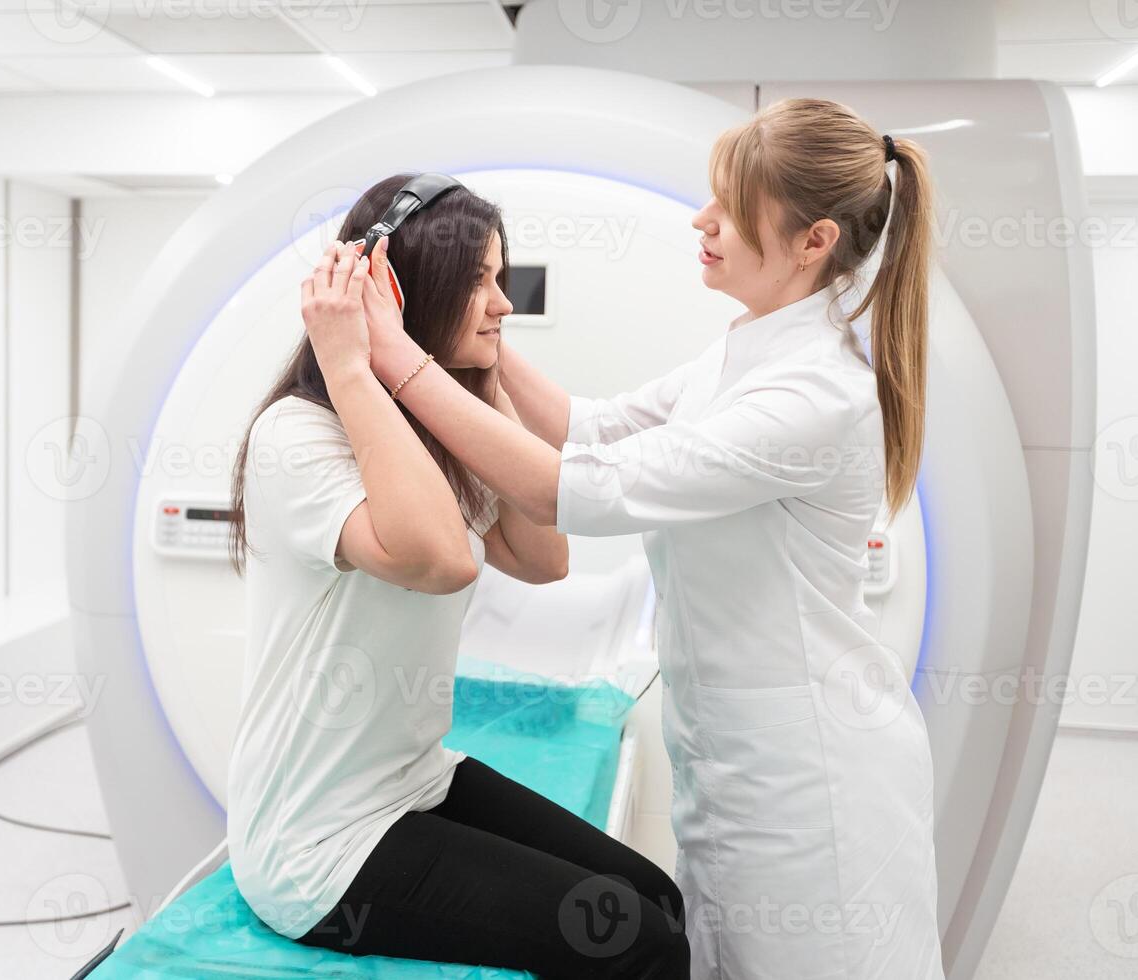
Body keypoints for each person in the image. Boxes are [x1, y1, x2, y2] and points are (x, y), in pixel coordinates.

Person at [308, 101, 945, 979]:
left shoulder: (816, 396)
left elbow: (572, 488)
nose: (701, 220)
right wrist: (479, 325)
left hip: (812, 783)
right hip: (734, 756)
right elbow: (588, 427)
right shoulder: (745, 351)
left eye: (729, 206)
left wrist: (387, 360)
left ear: (814, 241)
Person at [226, 174, 690, 979]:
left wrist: (480, 377)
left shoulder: (428, 435)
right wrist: (354, 366)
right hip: (320, 847)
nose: (503, 304)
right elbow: (437, 560)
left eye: (499, 280)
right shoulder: (296, 438)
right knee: (640, 944)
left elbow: (546, 559)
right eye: (479, 281)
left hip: (416, 783)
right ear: (397, 293)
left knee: (655, 897)